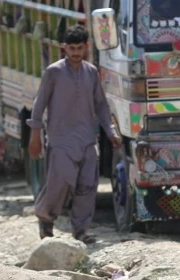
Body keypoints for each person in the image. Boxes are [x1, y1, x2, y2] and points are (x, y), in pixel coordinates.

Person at [28, 24, 122, 244]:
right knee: (58, 183)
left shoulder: (91, 72)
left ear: (87, 47)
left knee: (87, 187)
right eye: (72, 48)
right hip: (61, 140)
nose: (76, 53)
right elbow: (39, 104)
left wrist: (111, 131)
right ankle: (46, 221)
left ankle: (80, 230)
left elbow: (101, 105)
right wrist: (35, 136)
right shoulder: (54, 72)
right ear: (64, 49)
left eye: (80, 48)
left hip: (87, 140)